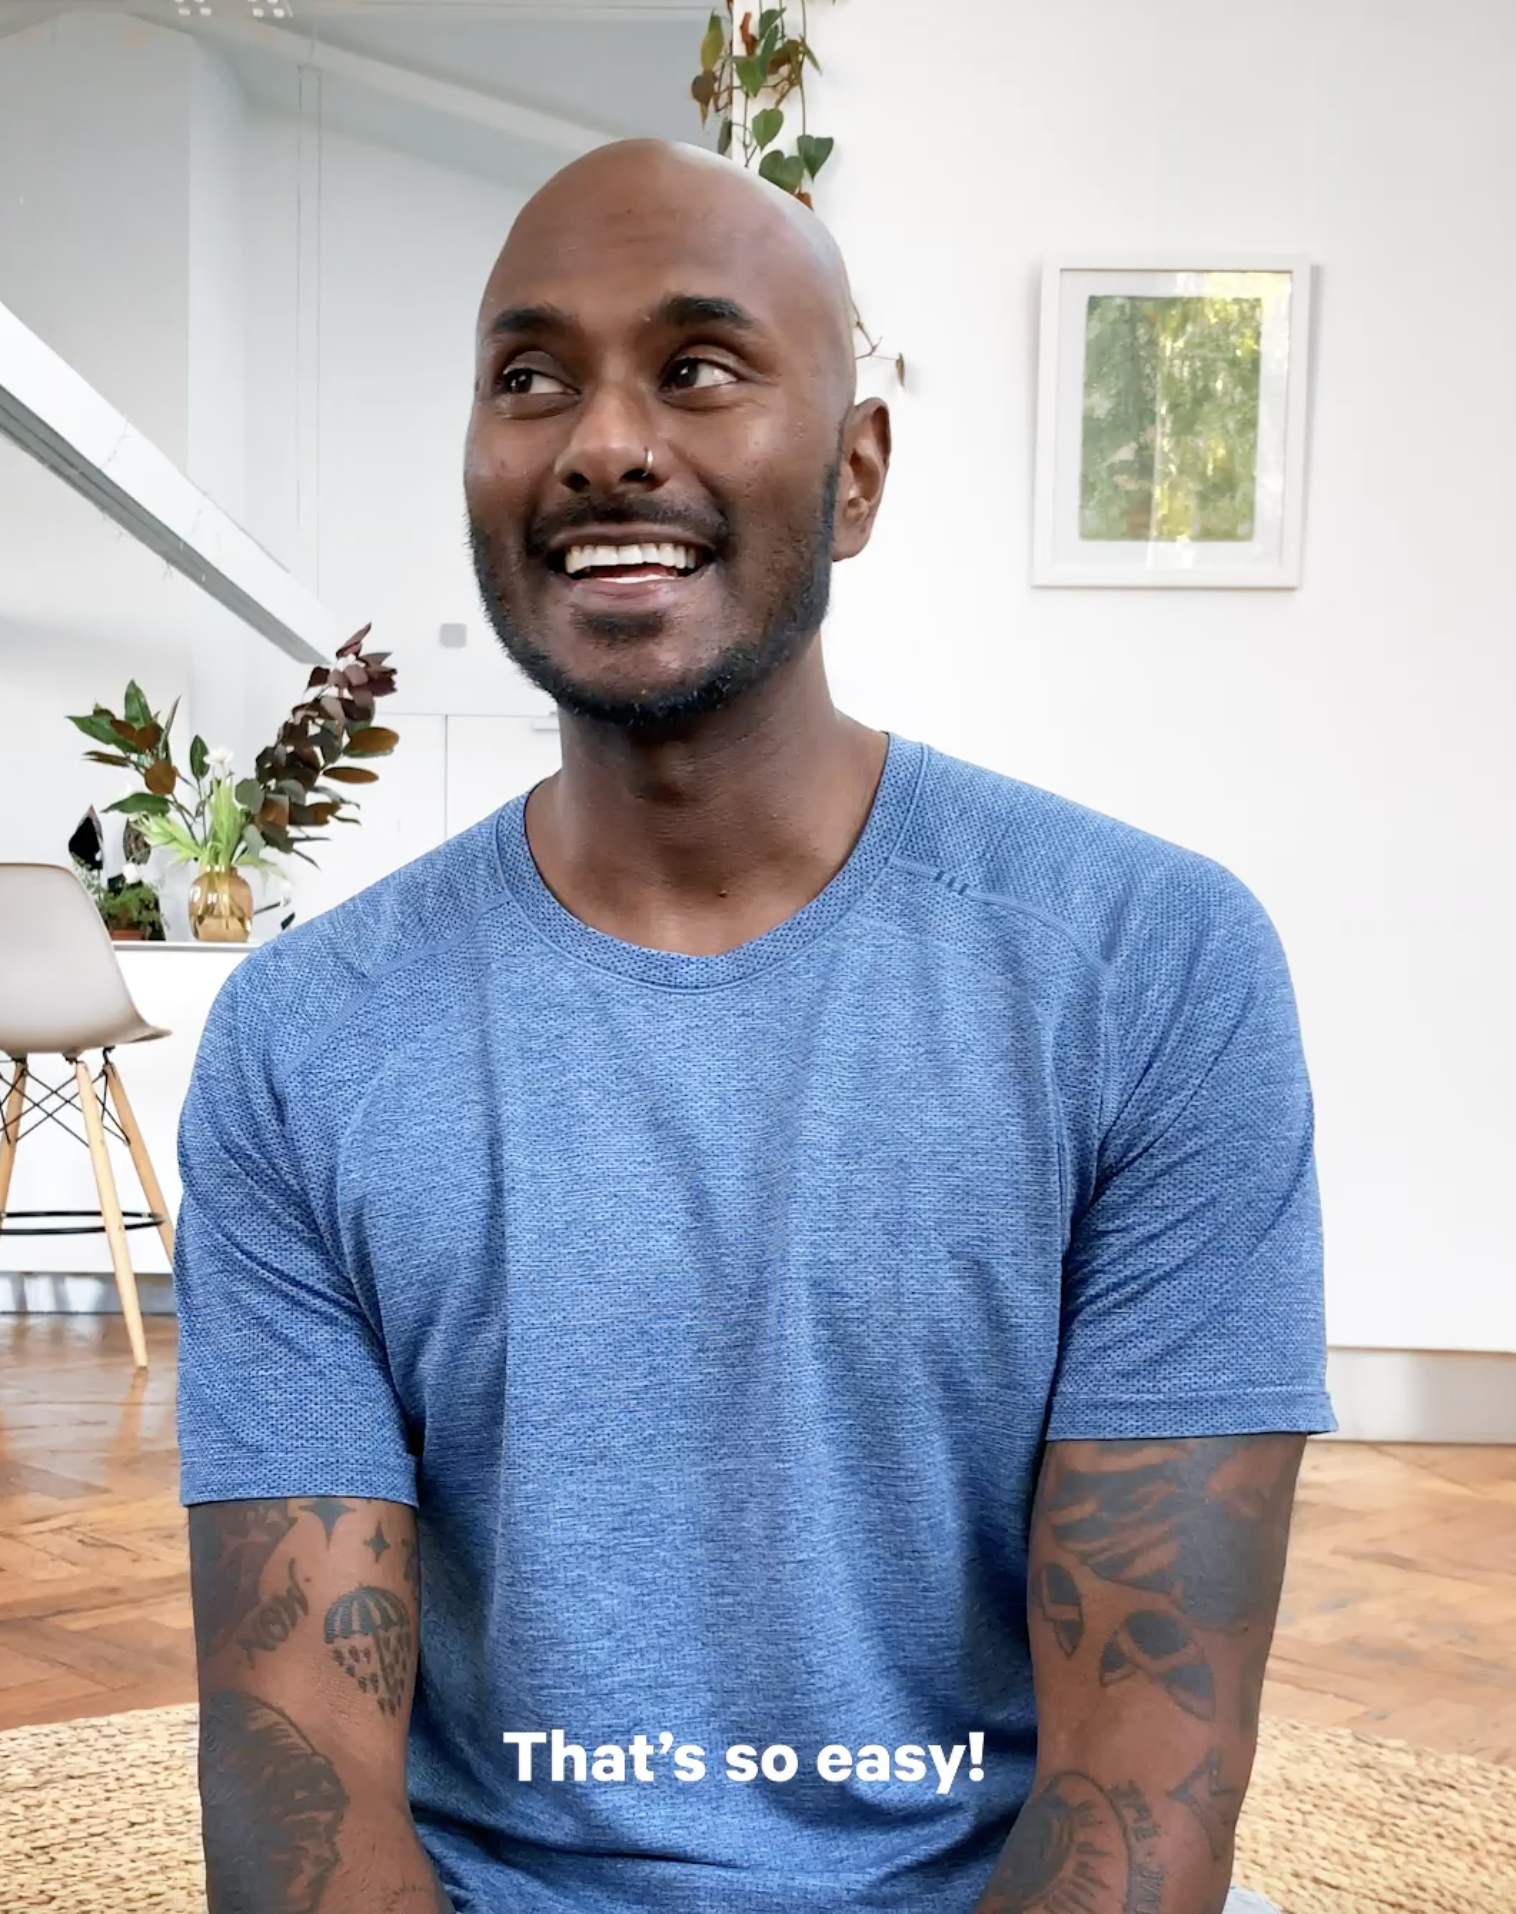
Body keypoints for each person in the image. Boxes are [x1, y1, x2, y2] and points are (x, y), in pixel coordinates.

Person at [175, 139, 1332, 1914]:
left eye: (700, 366)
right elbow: (296, 1786)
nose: (603, 443)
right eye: (529, 378)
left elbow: (1140, 1791)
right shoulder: (303, 1041)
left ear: (855, 473)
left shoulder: (1150, 967)